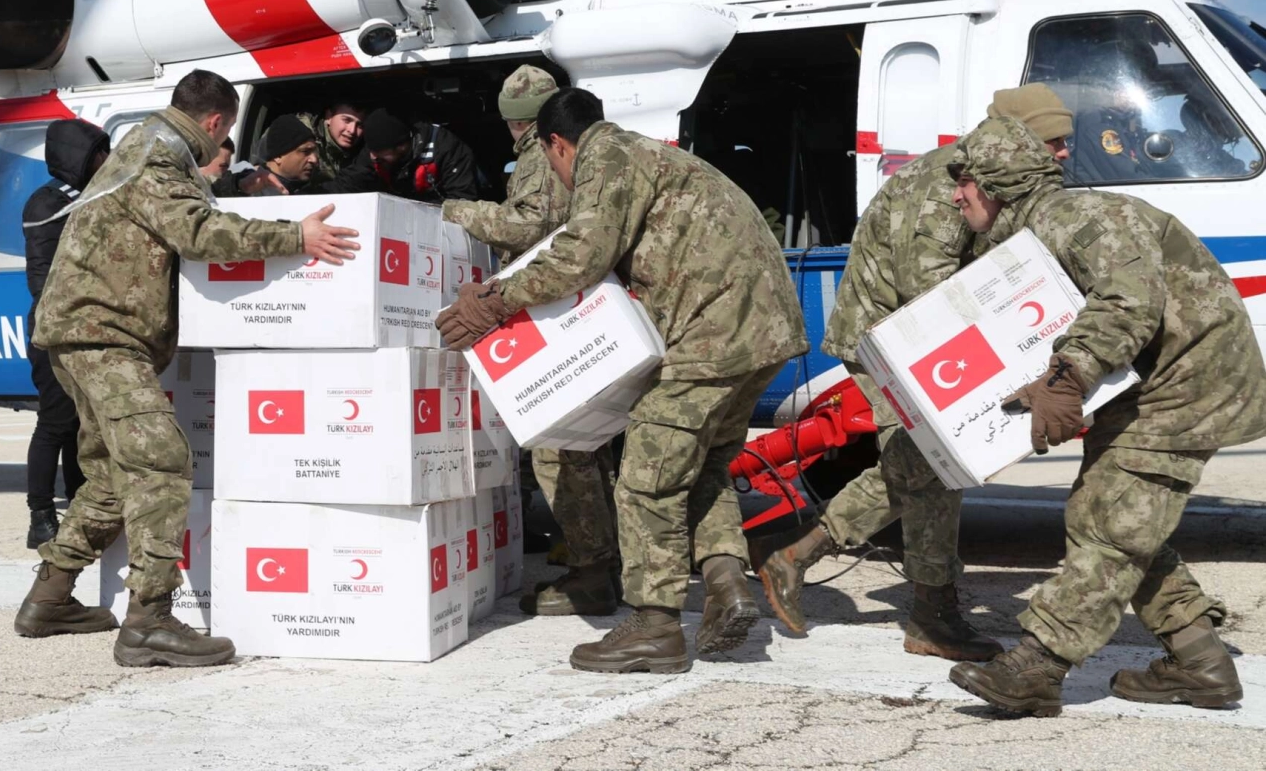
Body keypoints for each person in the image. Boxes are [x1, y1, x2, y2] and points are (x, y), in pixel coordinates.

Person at [437, 88, 808, 672]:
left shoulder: (605, 157)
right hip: (761, 331)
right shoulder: (650, 155)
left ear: (558, 144)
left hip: (712, 336)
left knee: (644, 479)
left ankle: (655, 627)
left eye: (553, 163)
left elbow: (581, 254)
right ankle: (726, 585)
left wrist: (496, 300)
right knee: (701, 467)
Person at [14, 70, 359, 668]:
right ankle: (148, 621)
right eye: (223, 136)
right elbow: (196, 231)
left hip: (84, 332)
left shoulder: (145, 147)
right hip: (102, 333)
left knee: (112, 475)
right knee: (161, 461)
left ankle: (49, 597)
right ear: (216, 122)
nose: (220, 148)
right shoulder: (157, 156)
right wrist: (295, 236)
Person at [944, 113, 1266, 716]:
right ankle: (1200, 662)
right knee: (1117, 518)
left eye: (964, 181)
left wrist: (1068, 378)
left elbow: (1128, 301)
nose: (957, 196)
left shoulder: (1075, 216)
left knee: (1112, 523)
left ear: (997, 182)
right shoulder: (1034, 231)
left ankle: (1039, 666)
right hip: (1158, 383)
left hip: (1188, 384)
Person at [758, 84, 1074, 661]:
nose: (1064, 152)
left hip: (932, 339)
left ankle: (802, 557)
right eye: (1054, 141)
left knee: (925, 464)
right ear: (1018, 138)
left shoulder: (1002, 176)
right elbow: (928, 294)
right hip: (891, 342)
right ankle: (929, 614)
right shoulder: (943, 187)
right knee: (936, 464)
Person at [442, 65, 617, 616]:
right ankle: (605, 563)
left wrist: (459, 210)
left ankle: (594, 574)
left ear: (516, 122)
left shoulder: (540, 155)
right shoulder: (576, 151)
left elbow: (529, 225)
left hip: (554, 311)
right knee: (588, 445)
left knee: (558, 448)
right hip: (577, 308)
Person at [20, 118, 110, 549]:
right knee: (55, 423)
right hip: (54, 328)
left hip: (83, 326)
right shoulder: (48, 202)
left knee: (81, 424)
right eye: (100, 152)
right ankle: (40, 516)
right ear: (80, 156)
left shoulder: (90, 196)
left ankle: (79, 505)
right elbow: (44, 276)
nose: (106, 159)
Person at [331, 109, 482, 201]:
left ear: (401, 147)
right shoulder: (374, 152)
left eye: (379, 154)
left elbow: (463, 201)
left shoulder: (447, 149)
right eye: (370, 151)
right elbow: (347, 183)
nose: (372, 157)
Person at [218, 115, 323, 196]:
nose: (314, 159)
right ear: (278, 156)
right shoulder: (245, 180)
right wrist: (239, 186)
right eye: (305, 151)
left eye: (314, 152)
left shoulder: (318, 187)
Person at [297, 101, 365, 186]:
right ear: (329, 117)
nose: (352, 130)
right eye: (346, 120)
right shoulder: (301, 135)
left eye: (360, 125)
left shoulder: (364, 151)